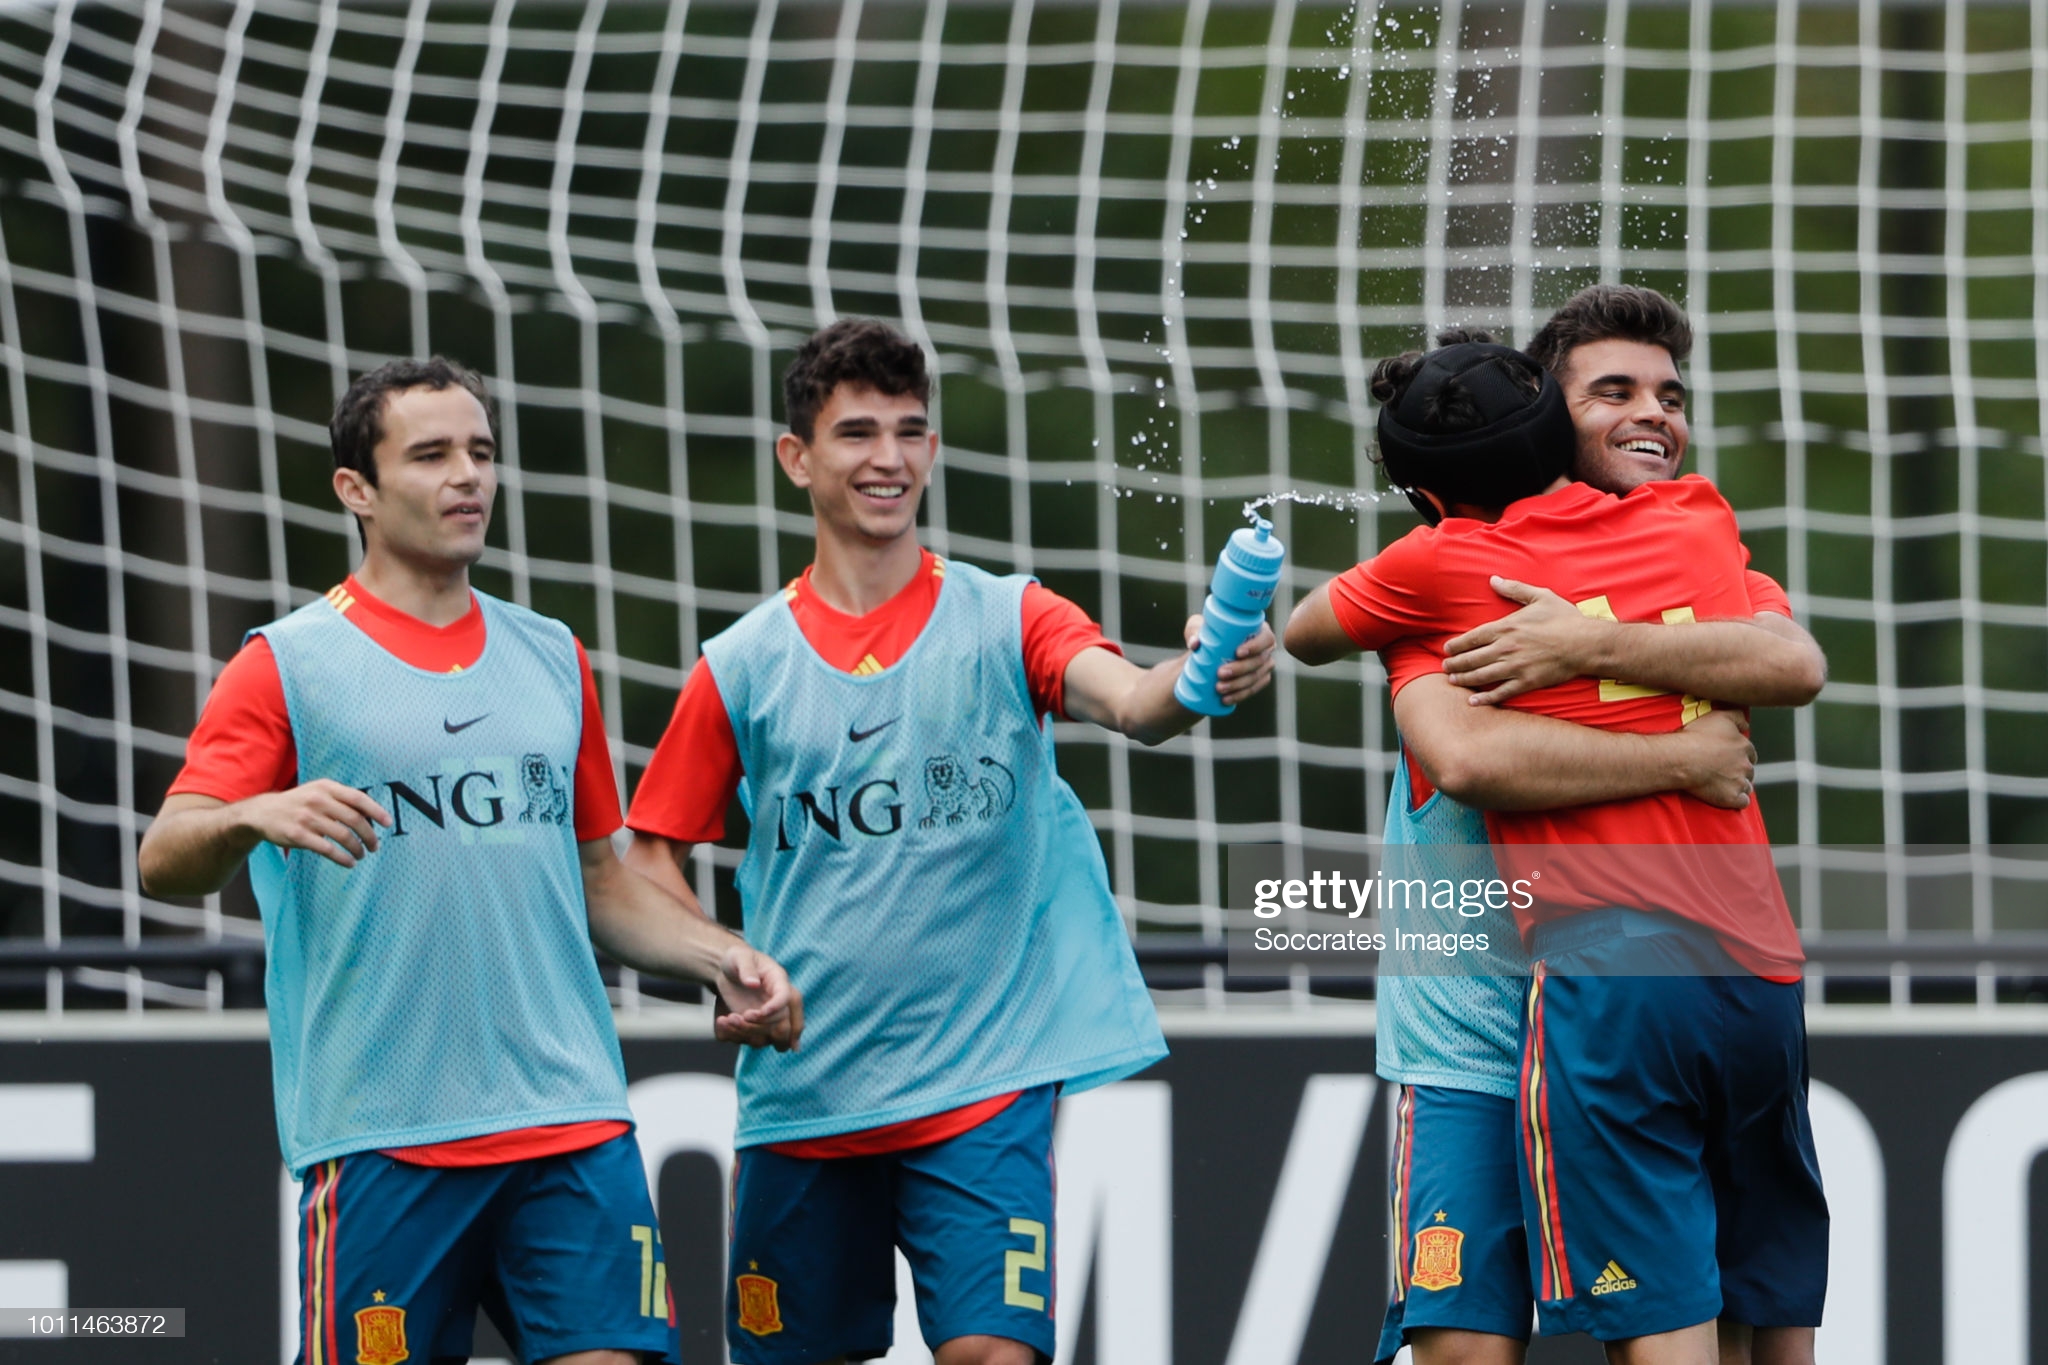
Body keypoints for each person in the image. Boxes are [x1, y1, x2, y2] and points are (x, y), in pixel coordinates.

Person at [621, 317, 1276, 1365]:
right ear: (797, 459)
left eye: (909, 431)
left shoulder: (1008, 615)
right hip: (805, 1094)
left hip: (984, 1084)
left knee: (991, 1354)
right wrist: (721, 961)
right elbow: (647, 860)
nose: (887, 457)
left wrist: (1200, 676)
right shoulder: (741, 665)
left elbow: (1136, 704)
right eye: (856, 433)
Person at [138, 357, 801, 1365]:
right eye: (433, 454)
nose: (468, 477)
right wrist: (251, 815)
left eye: (481, 453)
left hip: (569, 1123)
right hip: (381, 1137)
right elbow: (164, 858)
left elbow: (599, 879)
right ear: (355, 489)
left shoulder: (550, 656)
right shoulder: (287, 664)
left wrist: (720, 955)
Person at [1287, 317, 1827, 1365]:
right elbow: (1469, 760)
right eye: (1610, 395)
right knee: (1471, 1347)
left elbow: (1791, 659)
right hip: (1480, 1046)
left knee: (1721, 1319)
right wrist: (1684, 758)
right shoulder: (1455, 584)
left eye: (1668, 398)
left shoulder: (1692, 535)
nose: (1650, 418)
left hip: (1620, 991)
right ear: (1544, 419)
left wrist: (1582, 641)